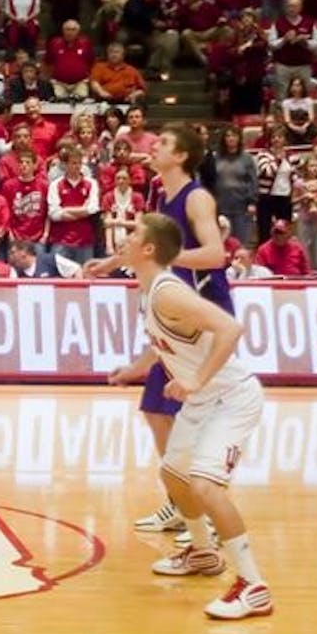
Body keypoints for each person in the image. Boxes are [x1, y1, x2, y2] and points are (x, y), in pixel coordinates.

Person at [108, 213, 272, 621]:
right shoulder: (149, 290)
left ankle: (254, 586)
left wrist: (196, 379)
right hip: (205, 401)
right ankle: (203, 554)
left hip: (232, 396)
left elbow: (231, 328)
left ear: (148, 250)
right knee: (173, 474)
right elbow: (164, 341)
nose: (125, 239)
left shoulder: (167, 292)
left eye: (133, 235)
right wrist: (135, 369)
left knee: (204, 485)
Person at [85, 124, 232, 535]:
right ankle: (180, 502)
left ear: (182, 156)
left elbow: (216, 254)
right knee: (155, 408)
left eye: (164, 143)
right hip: (173, 316)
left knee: (187, 417)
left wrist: (167, 261)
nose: (154, 146)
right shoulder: (159, 196)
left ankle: (204, 513)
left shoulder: (197, 197)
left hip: (203, 314)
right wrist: (112, 263)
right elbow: (144, 243)